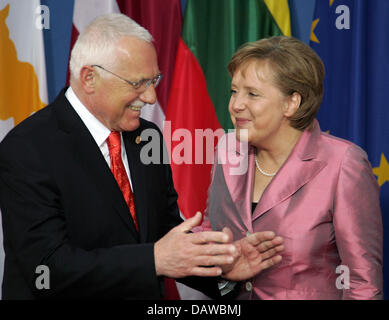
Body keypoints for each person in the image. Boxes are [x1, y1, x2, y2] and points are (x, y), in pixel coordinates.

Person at [0, 14, 284, 300]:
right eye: (138, 83)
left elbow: (165, 233)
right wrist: (153, 259)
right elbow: (46, 268)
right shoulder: (28, 147)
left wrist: (223, 266)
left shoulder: (146, 137)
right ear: (89, 78)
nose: (150, 97)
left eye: (154, 81)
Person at [199, 36, 383, 299]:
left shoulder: (343, 164)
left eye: (252, 94)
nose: (236, 104)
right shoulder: (227, 151)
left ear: (291, 103)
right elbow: (212, 235)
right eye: (234, 91)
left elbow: (363, 285)